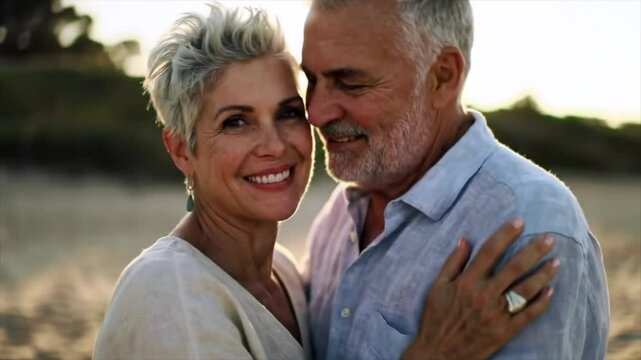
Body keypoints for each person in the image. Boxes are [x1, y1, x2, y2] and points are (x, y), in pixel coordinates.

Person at [93, 2, 557, 359]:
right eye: (237, 122)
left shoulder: (289, 276)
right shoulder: (168, 292)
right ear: (181, 149)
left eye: (289, 112)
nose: (275, 144)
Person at [301, 0, 610, 359]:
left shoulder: (531, 224)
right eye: (310, 79)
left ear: (442, 76)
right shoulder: (340, 211)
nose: (315, 112)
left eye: (351, 84)